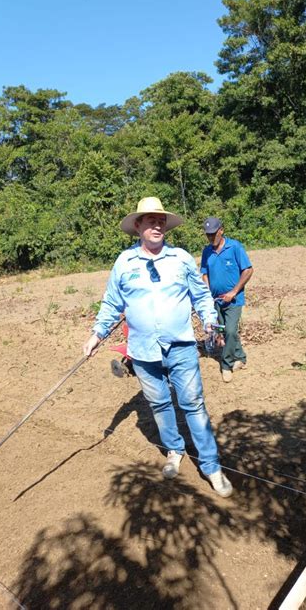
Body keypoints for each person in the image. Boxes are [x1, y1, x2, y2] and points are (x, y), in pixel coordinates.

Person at [83, 197, 233, 497]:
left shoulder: (180, 259)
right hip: (142, 351)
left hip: (180, 347)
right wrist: (96, 335)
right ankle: (174, 451)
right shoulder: (124, 263)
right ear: (137, 226)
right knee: (160, 405)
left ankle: (212, 467)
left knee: (193, 405)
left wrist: (208, 320)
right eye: (149, 220)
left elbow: (201, 295)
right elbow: (112, 303)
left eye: (160, 220)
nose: (156, 224)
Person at [200, 217, 253, 383]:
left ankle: (226, 364)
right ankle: (241, 357)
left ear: (221, 230)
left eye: (214, 234)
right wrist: (207, 293)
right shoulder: (206, 252)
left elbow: (248, 270)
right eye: (208, 235)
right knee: (223, 331)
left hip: (233, 300)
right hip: (216, 300)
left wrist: (234, 291)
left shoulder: (234, 247)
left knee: (229, 330)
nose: (211, 237)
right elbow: (205, 273)